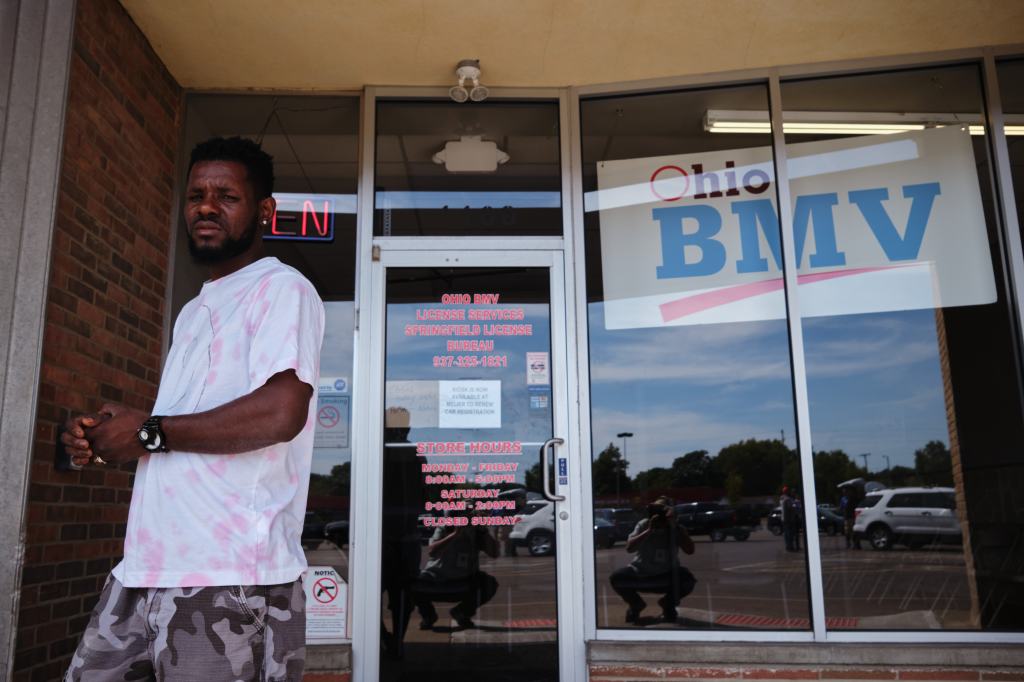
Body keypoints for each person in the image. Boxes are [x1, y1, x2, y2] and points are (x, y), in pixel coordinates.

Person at [60, 137, 325, 682]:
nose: (207, 206)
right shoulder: (196, 308)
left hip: (227, 578)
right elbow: (184, 433)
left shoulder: (280, 288)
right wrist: (113, 436)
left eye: (226, 195)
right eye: (197, 195)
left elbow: (281, 411)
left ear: (265, 211)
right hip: (145, 570)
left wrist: (150, 432)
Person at [609, 497, 696, 624]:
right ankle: (636, 604)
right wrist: (649, 530)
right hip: (640, 573)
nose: (659, 514)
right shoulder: (644, 524)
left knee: (687, 579)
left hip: (667, 575)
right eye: (656, 510)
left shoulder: (676, 528)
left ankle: (668, 604)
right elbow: (629, 548)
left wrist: (673, 526)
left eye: (663, 511)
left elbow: (690, 550)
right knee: (617, 578)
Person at [414, 519, 500, 630]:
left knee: (489, 583)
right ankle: (428, 615)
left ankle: (462, 612)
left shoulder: (476, 531)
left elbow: (494, 553)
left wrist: (483, 531)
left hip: (463, 582)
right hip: (437, 579)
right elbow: (432, 551)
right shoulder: (445, 527)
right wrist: (454, 535)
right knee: (413, 583)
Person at [840, 485, 862, 549]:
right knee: (847, 531)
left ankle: (856, 544)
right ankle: (849, 543)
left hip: (852, 516)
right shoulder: (843, 499)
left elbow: (854, 507)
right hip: (847, 517)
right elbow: (842, 507)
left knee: (854, 531)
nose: (845, 492)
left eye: (846, 491)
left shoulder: (853, 498)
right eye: (844, 491)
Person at [781, 486, 802, 552]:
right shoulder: (787, 499)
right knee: (790, 534)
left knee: (789, 534)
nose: (792, 493)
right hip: (789, 519)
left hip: (786, 519)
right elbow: (792, 507)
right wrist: (795, 505)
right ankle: (790, 547)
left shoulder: (783, 499)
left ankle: (790, 546)